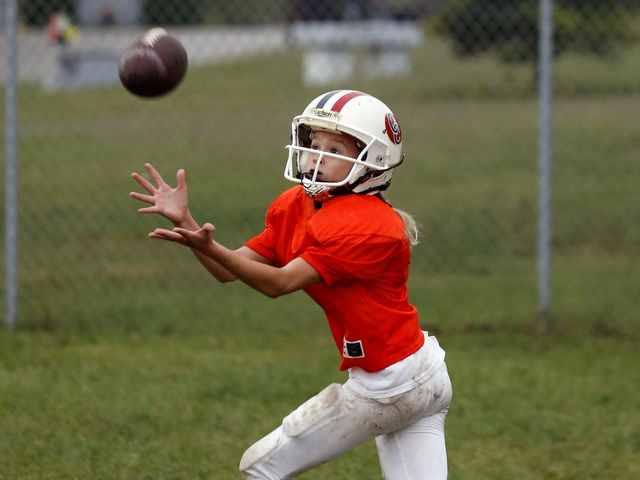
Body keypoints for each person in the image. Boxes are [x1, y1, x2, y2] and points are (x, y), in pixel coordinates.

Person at [129, 90, 453, 479]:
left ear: (374, 160)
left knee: (261, 466)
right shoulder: (298, 204)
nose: (317, 156)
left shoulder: (367, 224)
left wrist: (210, 245)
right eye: (315, 144)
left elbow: (279, 283)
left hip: (388, 387)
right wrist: (188, 223)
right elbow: (227, 270)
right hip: (421, 373)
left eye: (335, 148)